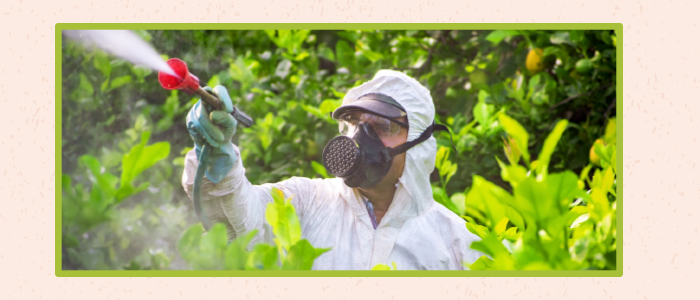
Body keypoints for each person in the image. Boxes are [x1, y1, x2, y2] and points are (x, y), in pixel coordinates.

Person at [182, 70, 483, 270]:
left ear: (418, 143)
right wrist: (217, 160)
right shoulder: (305, 200)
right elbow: (240, 223)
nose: (360, 138)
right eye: (355, 123)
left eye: (384, 126)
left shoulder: (457, 243)